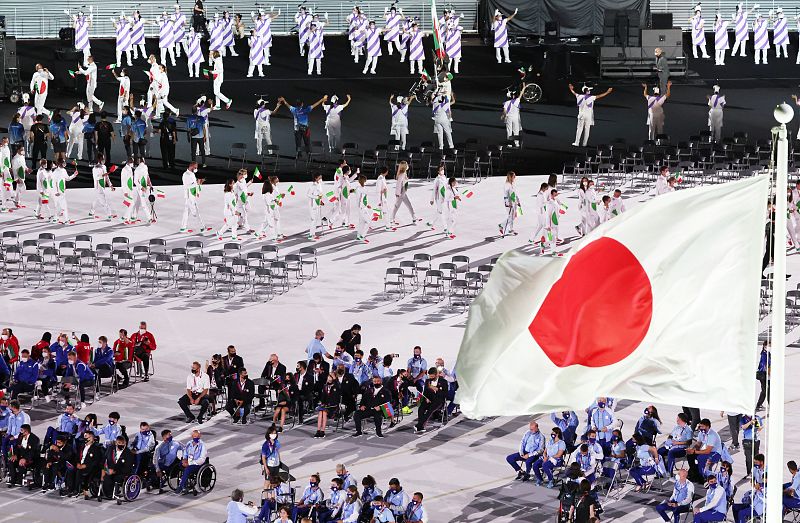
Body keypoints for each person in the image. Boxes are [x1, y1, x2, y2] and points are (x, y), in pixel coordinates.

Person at [76, 429, 104, 500]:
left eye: (87, 437)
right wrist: (78, 463)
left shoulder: (97, 448)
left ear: (92, 438)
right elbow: (77, 456)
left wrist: (85, 465)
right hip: (81, 465)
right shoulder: (82, 446)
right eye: (85, 437)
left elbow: (96, 460)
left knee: (86, 472)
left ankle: (85, 490)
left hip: (92, 466)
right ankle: (74, 488)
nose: (86, 439)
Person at [177, 430, 207, 494]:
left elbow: (202, 459)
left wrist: (189, 463)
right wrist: (184, 459)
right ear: (192, 436)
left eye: (198, 436)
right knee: (179, 464)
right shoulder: (189, 443)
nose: (196, 438)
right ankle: (185, 482)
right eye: (195, 436)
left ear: (200, 436)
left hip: (197, 464)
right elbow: (185, 452)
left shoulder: (202, 445)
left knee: (188, 469)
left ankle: (181, 486)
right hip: (188, 461)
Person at [391, 161, 419, 226]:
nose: (408, 166)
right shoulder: (402, 174)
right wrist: (398, 193)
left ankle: (414, 217)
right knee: (397, 206)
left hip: (403, 192)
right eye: (406, 165)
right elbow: (398, 184)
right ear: (405, 167)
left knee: (408, 204)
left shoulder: (404, 173)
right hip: (401, 193)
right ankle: (391, 219)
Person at [427, 164, 447, 231]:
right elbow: (434, 190)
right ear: (438, 171)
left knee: (439, 212)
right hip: (438, 198)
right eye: (441, 169)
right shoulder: (437, 179)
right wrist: (431, 199)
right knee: (441, 212)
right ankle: (445, 228)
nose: (442, 170)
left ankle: (431, 223)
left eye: (443, 169)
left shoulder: (444, 178)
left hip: (444, 197)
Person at [306, 173, 325, 240]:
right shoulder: (313, 186)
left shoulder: (319, 185)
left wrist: (320, 201)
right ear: (316, 178)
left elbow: (320, 194)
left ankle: (313, 234)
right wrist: (317, 197)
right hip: (312, 205)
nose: (320, 179)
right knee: (313, 220)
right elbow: (308, 194)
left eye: (321, 178)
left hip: (317, 204)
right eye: (319, 178)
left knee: (315, 220)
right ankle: (311, 235)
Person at [756, 340, 770, 410]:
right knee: (766, 390)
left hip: (766, 374)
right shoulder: (764, 354)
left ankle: (759, 405)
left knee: (764, 390)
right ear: (765, 346)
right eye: (769, 345)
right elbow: (765, 365)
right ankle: (769, 404)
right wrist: (769, 373)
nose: (770, 347)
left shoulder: (767, 353)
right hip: (763, 374)